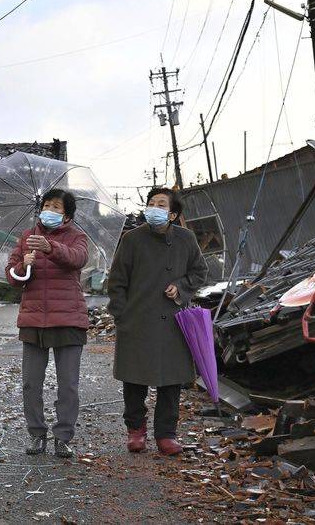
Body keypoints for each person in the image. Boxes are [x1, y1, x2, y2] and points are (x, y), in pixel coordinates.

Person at [106, 187, 208, 456]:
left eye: (161, 204)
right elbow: (116, 282)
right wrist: (121, 315)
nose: (153, 207)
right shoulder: (132, 239)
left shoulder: (186, 239)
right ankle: (135, 430)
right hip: (137, 320)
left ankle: (166, 434)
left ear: (173, 214)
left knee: (171, 381)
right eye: (151, 203)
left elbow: (199, 272)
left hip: (175, 322)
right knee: (134, 380)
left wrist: (181, 287)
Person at [6, 189, 89, 458]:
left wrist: (50, 248)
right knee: (31, 383)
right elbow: (12, 276)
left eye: (56, 207)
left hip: (68, 319)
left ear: (66, 215)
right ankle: (36, 434)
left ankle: (63, 437)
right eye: (46, 205)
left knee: (68, 385)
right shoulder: (26, 237)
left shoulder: (77, 237)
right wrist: (22, 267)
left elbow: (77, 258)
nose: (49, 210)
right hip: (33, 319)